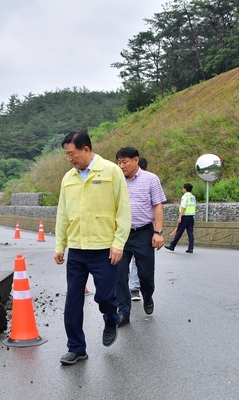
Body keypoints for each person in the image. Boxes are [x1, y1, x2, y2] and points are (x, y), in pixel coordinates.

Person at [54, 130, 131, 365]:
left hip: (104, 250)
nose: (69, 158)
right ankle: (76, 348)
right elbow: (63, 214)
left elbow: (123, 210)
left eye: (72, 153)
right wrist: (60, 245)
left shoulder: (111, 171)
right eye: (66, 154)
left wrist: (118, 244)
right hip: (77, 249)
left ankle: (111, 317)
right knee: (73, 301)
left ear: (86, 149)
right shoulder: (68, 178)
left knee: (106, 297)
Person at [115, 147, 166, 327]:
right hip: (120, 234)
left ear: (136, 160)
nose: (121, 166)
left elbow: (157, 206)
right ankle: (123, 311)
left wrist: (157, 233)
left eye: (125, 162)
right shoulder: (115, 180)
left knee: (145, 275)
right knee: (119, 274)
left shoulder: (151, 179)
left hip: (143, 233)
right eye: (119, 162)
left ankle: (147, 295)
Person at [129, 156, 148, 302]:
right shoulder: (119, 181)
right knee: (121, 264)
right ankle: (129, 290)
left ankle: (134, 289)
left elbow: (157, 206)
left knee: (137, 262)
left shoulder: (149, 180)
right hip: (123, 231)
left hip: (142, 230)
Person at [165, 183, 196, 253]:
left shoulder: (185, 197)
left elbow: (183, 207)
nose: (183, 189)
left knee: (179, 232)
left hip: (185, 217)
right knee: (190, 233)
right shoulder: (192, 197)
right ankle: (191, 248)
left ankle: (172, 246)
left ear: (185, 189)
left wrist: (180, 217)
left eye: (183, 188)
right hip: (191, 217)